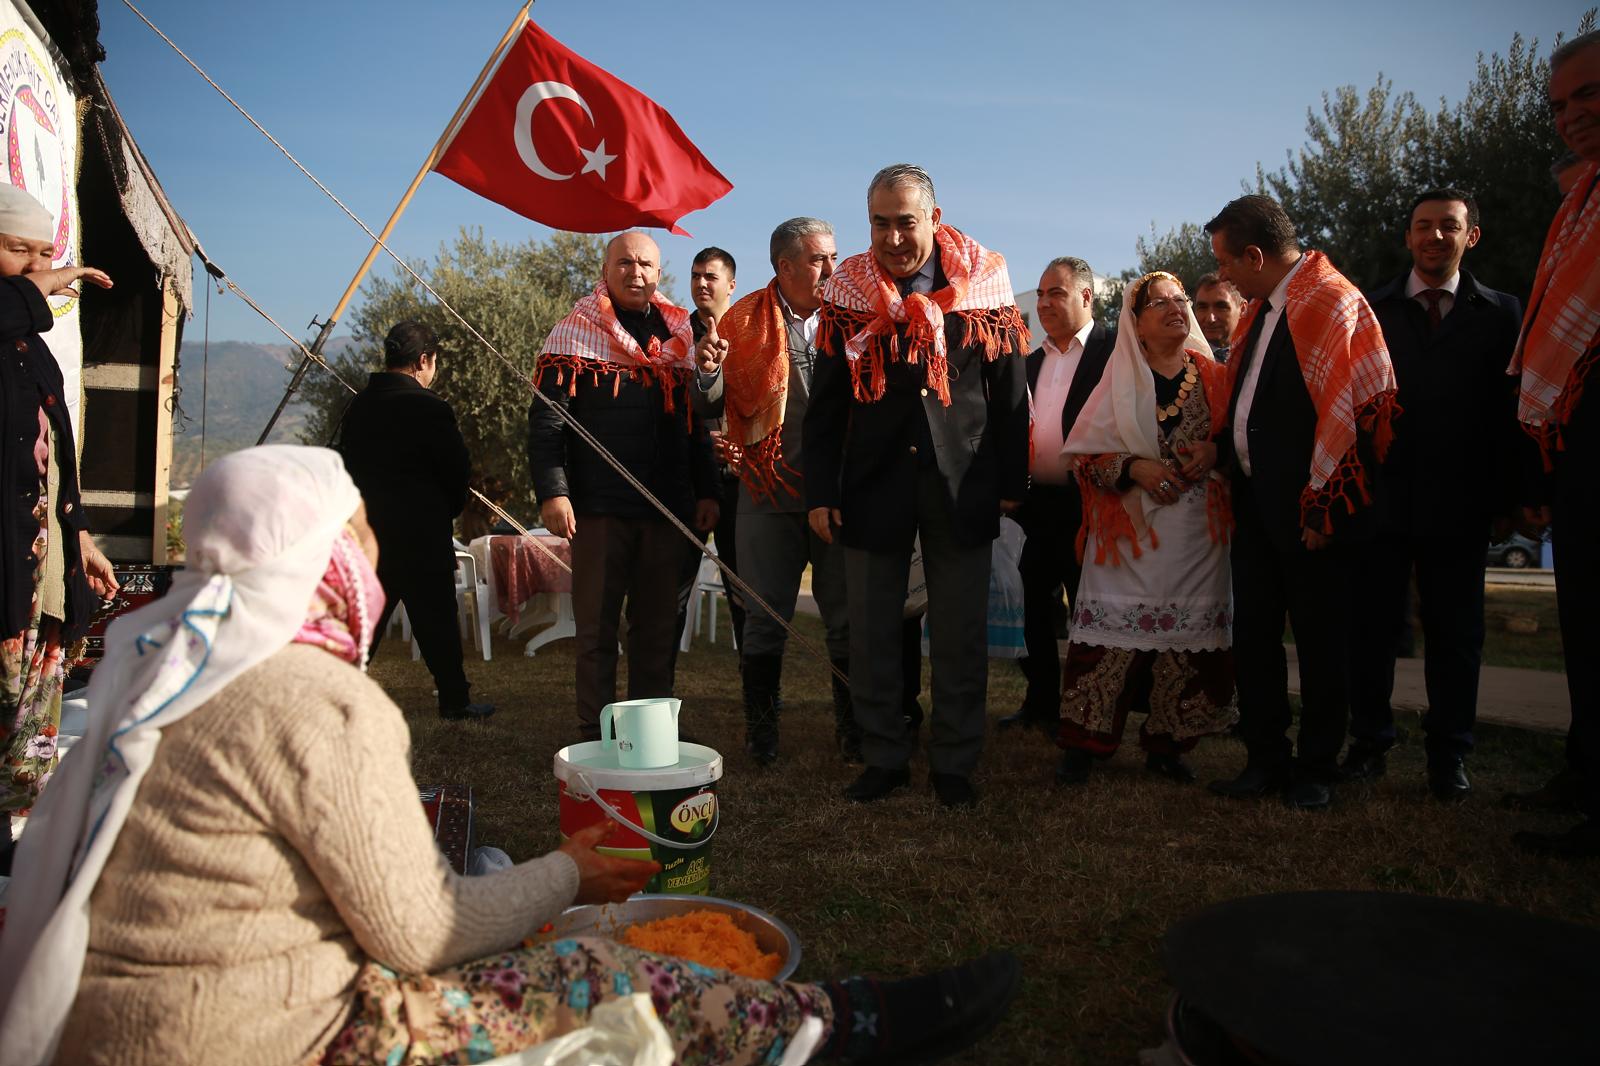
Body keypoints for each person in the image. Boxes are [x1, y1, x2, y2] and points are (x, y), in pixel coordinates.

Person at [0, 445, 1019, 1066]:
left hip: (118, 1030)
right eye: (357, 536)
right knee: (593, 973)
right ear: (318, 558)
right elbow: (421, 931)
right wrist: (579, 872)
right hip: (262, 1038)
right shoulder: (314, 702)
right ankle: (847, 1025)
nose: (374, 558)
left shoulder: (158, 669)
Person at [804, 164, 1030, 808]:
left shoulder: (985, 284)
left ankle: (955, 763)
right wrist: (822, 491)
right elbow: (824, 410)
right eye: (880, 222)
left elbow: (1011, 397)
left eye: (906, 221)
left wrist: (1010, 484)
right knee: (873, 632)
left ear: (935, 218)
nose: (894, 237)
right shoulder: (844, 295)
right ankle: (884, 757)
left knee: (959, 632)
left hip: (963, 487)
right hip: (871, 486)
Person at [1203, 194, 1396, 811]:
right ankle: (1265, 758)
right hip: (1257, 505)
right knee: (1255, 635)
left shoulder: (1330, 300)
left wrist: (1323, 506)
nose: (1223, 276)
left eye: (1226, 263)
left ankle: (1315, 765)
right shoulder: (1265, 309)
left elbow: (1349, 413)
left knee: (1319, 642)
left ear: (1255, 255)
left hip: (1315, 510)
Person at [1341, 189, 1524, 800]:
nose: (1434, 237)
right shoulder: (1371, 310)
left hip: (1461, 504)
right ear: (1407, 236)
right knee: (1370, 630)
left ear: (1472, 236)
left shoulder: (1501, 314)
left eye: (1449, 226)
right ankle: (1369, 744)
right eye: (1423, 226)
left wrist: (1509, 499)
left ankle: (1450, 758)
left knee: (1456, 637)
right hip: (1382, 502)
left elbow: (1512, 413)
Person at [528, 231, 720, 741]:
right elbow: (547, 423)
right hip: (598, 509)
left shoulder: (682, 333)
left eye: (646, 264)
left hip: (669, 509)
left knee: (656, 631)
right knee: (596, 629)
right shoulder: (572, 332)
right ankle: (594, 733)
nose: (636, 273)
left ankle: (648, 732)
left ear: (659, 272)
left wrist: (707, 492)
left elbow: (697, 423)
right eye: (626, 263)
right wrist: (553, 491)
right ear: (606, 268)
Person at [1054, 272, 1236, 784]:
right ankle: (1084, 743)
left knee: (1187, 642)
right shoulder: (1116, 380)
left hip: (1197, 538)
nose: (1177, 307)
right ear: (1136, 322)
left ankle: (1169, 744)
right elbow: (1085, 459)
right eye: (1160, 303)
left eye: (1181, 300)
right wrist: (1135, 467)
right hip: (1126, 539)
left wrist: (1215, 451)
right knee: (1106, 640)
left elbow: (1241, 444)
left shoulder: (1217, 378)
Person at [693, 218, 851, 765]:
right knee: (763, 618)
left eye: (834, 256)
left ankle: (853, 733)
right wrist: (707, 372)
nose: (832, 269)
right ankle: (761, 735)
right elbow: (711, 400)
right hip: (765, 492)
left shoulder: (854, 317)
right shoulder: (740, 320)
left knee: (847, 617)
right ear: (783, 267)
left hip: (837, 494)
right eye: (818, 260)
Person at [0, 182, 118, 874]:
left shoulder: (29, 348)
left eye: (45, 252)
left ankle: (20, 845)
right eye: (19, 250)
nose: (37, 266)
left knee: (36, 723)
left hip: (42, 569)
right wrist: (51, 283)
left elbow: (51, 455)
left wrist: (80, 538)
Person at [1508, 31, 1600, 857]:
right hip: (1578, 447)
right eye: (1559, 104)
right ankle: (1585, 774)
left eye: (1589, 94)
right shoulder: (1579, 212)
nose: (1574, 116)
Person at [336, 319, 493, 720]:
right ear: (424, 360)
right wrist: (447, 508)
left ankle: (336, 693)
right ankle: (454, 700)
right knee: (437, 619)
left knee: (366, 621)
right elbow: (457, 469)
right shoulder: (431, 408)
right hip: (422, 533)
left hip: (369, 534)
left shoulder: (357, 406)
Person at [997, 256, 1113, 735]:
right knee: (1033, 606)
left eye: (1056, 293)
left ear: (1086, 296)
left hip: (1094, 505)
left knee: (1091, 608)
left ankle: (1089, 711)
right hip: (1035, 505)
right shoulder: (1031, 359)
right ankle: (1043, 699)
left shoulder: (1114, 350)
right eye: (1040, 294)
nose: (1043, 303)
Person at [679, 246, 746, 656]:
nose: (701, 283)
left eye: (711, 276)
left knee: (745, 593)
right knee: (673, 592)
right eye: (695, 275)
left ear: (731, 285)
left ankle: (758, 697)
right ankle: (657, 696)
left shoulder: (753, 333)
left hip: (742, 483)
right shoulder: (673, 334)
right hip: (689, 482)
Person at [1191, 272, 1245, 363]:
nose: (1210, 319)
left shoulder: (1259, 353)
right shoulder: (1183, 360)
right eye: (1202, 307)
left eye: (1221, 307)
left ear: (1243, 309)